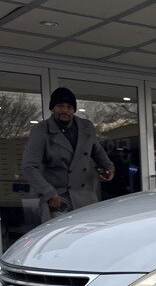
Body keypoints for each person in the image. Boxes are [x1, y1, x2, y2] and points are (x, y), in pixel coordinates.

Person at [22, 87, 115, 222]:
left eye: (69, 107)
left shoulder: (86, 126)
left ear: (74, 110)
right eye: (60, 106)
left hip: (86, 195)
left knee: (89, 236)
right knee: (61, 239)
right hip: (60, 198)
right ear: (52, 108)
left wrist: (108, 166)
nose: (65, 110)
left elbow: (96, 150)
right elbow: (29, 167)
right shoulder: (41, 130)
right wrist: (49, 193)